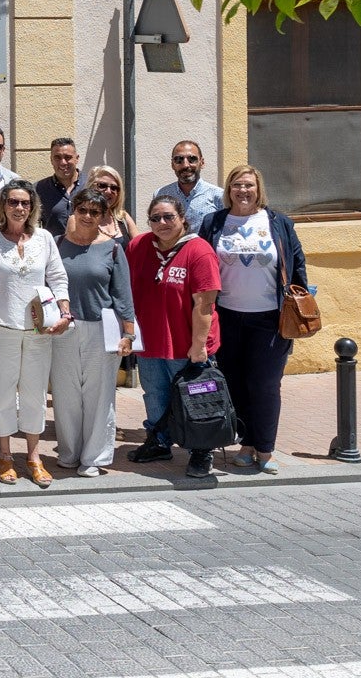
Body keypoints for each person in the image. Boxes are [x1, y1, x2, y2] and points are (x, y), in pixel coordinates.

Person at [197, 165, 307, 474]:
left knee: (265, 384)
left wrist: (297, 305)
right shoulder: (214, 223)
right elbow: (202, 265)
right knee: (235, 382)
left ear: (259, 190)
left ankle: (266, 448)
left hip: (270, 319)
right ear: (228, 190)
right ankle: (246, 445)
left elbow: (297, 264)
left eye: (249, 185)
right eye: (237, 185)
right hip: (227, 317)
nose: (243, 191)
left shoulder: (278, 223)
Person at [0, 180, 69, 488]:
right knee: (2, 392)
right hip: (1, 328)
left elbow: (58, 277)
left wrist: (65, 313)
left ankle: (34, 457)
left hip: (39, 330)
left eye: (25, 203)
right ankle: (5, 455)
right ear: (3, 205)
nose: (19, 208)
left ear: (32, 207)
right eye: (13, 202)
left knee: (35, 394)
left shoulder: (44, 238)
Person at [125, 194, 221, 479]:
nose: (162, 223)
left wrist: (199, 346)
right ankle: (159, 441)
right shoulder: (139, 246)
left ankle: (201, 451)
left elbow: (205, 304)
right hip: (150, 342)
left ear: (182, 218)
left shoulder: (199, 251)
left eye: (169, 217)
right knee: (155, 395)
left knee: (196, 399)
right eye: (155, 218)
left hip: (188, 344)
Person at [50, 188, 136, 476]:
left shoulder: (113, 248)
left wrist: (129, 334)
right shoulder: (56, 244)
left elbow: (123, 294)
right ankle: (69, 452)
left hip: (103, 328)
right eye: (82, 210)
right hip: (63, 328)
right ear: (73, 211)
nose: (87, 216)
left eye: (94, 212)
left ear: (103, 216)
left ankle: (94, 457)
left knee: (99, 396)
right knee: (66, 394)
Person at [154, 140, 224, 234]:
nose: (185, 165)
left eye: (192, 159)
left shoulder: (218, 196)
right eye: (179, 160)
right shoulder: (161, 194)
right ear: (172, 165)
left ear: (202, 162)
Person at [36, 138, 83, 237]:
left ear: (77, 158)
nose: (63, 162)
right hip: (53, 246)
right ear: (51, 160)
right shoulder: (38, 189)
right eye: (57, 157)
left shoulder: (91, 185)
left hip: (88, 246)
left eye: (68, 157)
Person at [88, 165, 138, 241]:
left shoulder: (123, 217)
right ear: (91, 187)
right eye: (102, 185)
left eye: (114, 188)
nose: (108, 191)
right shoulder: (82, 219)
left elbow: (139, 245)